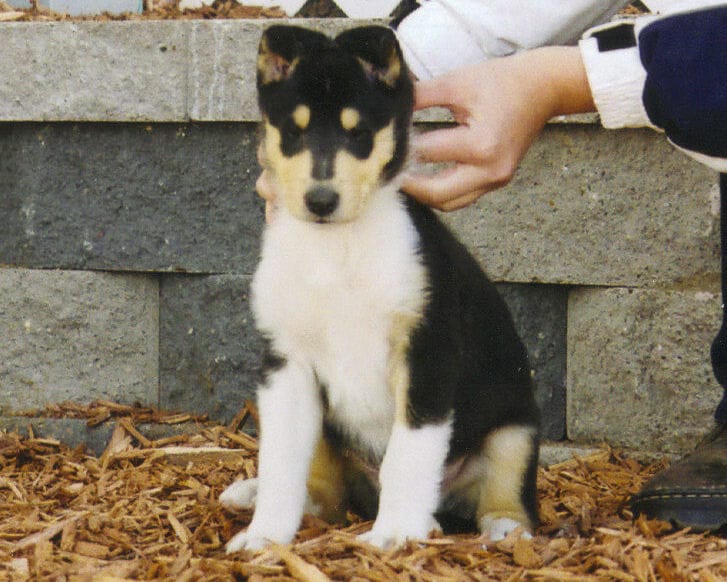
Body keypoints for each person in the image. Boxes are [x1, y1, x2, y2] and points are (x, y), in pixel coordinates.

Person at [257, 1, 727, 532]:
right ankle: (319, 491)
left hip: (461, 444)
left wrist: (561, 80)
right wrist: (380, 71)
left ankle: (499, 506)